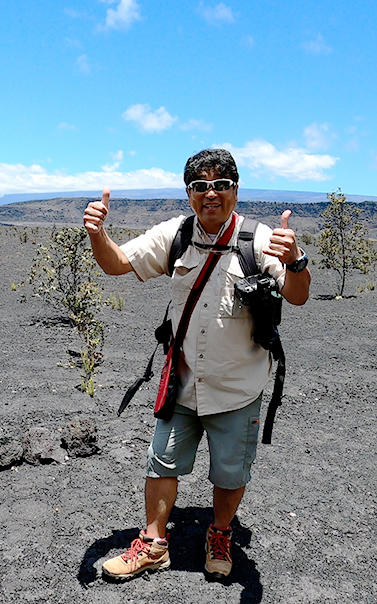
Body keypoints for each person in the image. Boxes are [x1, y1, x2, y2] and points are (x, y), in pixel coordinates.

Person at [83, 148, 311, 582]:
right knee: (161, 462)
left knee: (229, 471)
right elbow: (116, 263)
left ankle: (220, 533)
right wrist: (97, 233)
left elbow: (298, 295)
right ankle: (153, 544)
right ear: (189, 193)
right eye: (201, 186)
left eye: (221, 185)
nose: (212, 194)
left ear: (236, 190)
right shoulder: (177, 234)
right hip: (183, 380)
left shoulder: (259, 240)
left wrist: (295, 260)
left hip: (237, 386)